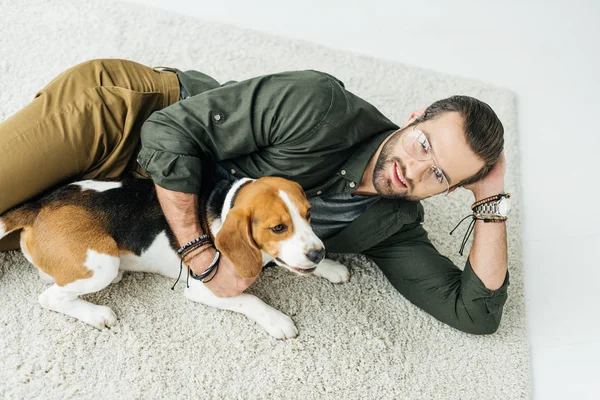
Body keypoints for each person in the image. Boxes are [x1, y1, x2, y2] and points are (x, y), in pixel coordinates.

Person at [0, 59, 509, 335]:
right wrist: (201, 255)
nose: (413, 170)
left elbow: (477, 314)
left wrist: (492, 200)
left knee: (25, 234)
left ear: (452, 189)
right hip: (123, 123)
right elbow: (166, 134)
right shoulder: (319, 104)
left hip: (108, 210)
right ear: (415, 117)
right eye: (424, 144)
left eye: (440, 175)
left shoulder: (391, 224)